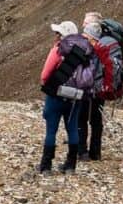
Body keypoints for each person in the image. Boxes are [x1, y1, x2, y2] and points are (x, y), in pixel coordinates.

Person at [38, 20, 94, 174]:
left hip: (56, 95)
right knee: (72, 129)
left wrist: (48, 84)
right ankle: (70, 166)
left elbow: (44, 75)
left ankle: (46, 166)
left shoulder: (58, 49)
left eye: (58, 33)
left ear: (63, 35)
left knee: (51, 131)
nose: (55, 36)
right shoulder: (85, 51)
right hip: (75, 98)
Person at [78, 12, 108, 161]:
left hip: (87, 87)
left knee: (81, 117)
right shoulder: (106, 45)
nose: (83, 25)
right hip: (101, 88)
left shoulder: (89, 45)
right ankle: (95, 152)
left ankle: (82, 151)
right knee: (96, 119)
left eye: (86, 23)